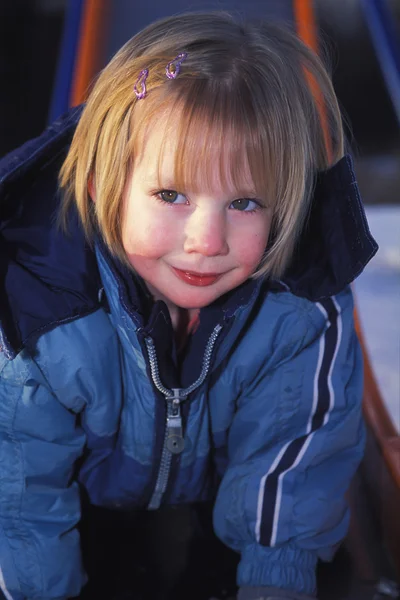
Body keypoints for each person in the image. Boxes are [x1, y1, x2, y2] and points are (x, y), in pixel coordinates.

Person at [0, 11, 377, 600]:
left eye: (246, 202)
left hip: (223, 509)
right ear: (105, 182)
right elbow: (21, 499)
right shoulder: (37, 309)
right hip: (77, 513)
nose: (208, 240)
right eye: (171, 194)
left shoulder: (300, 314)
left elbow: (290, 480)